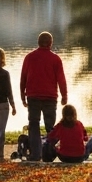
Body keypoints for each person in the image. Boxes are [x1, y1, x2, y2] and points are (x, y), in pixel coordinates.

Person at [20, 31, 67, 162]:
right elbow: (61, 79)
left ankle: (35, 154)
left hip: (33, 96)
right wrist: (64, 96)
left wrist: (22, 96)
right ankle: (49, 154)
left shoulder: (29, 57)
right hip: (50, 97)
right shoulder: (55, 59)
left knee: (33, 124)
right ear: (50, 44)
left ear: (38, 43)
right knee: (50, 126)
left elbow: (23, 78)